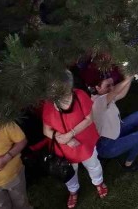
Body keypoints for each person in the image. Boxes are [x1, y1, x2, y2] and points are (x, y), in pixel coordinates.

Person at [42, 72, 107, 208]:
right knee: (69, 170)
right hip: (64, 147)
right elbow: (46, 130)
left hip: (84, 142)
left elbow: (89, 119)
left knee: (93, 164)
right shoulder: (48, 105)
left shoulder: (80, 95)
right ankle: (73, 191)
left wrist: (71, 134)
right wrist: (66, 140)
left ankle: (98, 182)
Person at [90, 74, 138, 172]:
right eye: (107, 86)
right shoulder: (97, 101)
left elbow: (121, 94)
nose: (111, 88)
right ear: (97, 88)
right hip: (106, 146)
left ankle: (133, 142)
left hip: (116, 130)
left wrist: (129, 78)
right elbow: (116, 91)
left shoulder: (104, 97)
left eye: (112, 85)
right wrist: (129, 77)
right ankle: (129, 165)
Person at [0, 122, 31, 209]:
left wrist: (6, 158)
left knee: (21, 203)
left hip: (13, 175)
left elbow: (22, 141)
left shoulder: (4, 122)